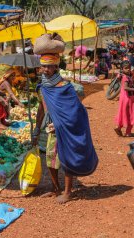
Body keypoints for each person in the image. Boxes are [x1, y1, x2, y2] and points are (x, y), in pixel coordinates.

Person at [33, 51, 98, 204]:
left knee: (67, 157)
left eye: (49, 67)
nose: (46, 70)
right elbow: (41, 109)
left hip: (65, 128)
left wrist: (62, 123)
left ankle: (68, 192)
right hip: (51, 128)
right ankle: (56, 188)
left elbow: (76, 109)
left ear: (56, 67)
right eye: (43, 67)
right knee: (51, 159)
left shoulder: (65, 86)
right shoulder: (42, 87)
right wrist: (37, 128)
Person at [114, 60, 134, 137]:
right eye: (126, 68)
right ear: (122, 69)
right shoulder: (126, 77)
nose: (128, 69)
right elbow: (126, 87)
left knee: (124, 113)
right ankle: (128, 132)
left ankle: (119, 127)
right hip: (128, 98)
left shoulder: (125, 76)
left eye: (129, 68)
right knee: (130, 114)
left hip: (124, 98)